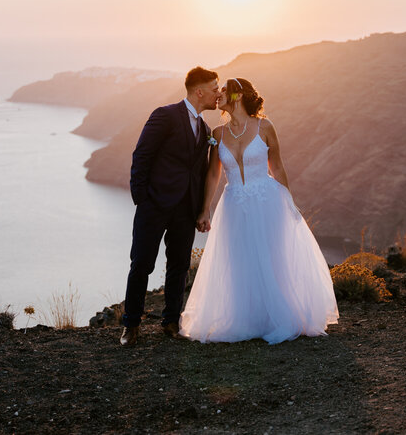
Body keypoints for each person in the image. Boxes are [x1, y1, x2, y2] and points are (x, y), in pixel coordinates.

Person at [180, 78, 339, 344]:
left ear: (238, 95)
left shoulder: (265, 126)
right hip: (233, 204)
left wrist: (288, 201)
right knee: (239, 260)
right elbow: (212, 176)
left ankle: (276, 316)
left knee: (272, 257)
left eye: (224, 91)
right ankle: (247, 318)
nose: (218, 94)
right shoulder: (218, 134)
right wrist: (205, 210)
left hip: (267, 201)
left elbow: (277, 167)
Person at [120, 66, 221, 347]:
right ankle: (131, 325)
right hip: (154, 204)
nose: (218, 93)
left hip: (186, 209)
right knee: (141, 263)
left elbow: (200, 172)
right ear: (199, 91)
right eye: (215, 88)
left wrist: (201, 209)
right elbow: (142, 155)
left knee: (179, 266)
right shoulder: (164, 115)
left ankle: (171, 322)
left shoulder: (205, 128)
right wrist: (142, 198)